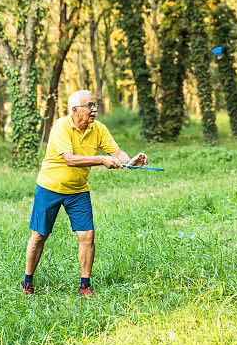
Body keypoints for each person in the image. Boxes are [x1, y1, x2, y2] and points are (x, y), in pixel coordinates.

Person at [23, 90, 148, 296]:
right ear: (75, 110)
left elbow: (116, 153)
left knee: (87, 235)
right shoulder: (61, 126)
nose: (95, 109)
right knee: (39, 236)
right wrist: (101, 160)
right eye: (89, 105)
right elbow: (69, 159)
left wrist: (129, 161)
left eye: (95, 105)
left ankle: (85, 286)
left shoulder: (98, 128)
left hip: (78, 190)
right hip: (49, 188)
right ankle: (27, 283)